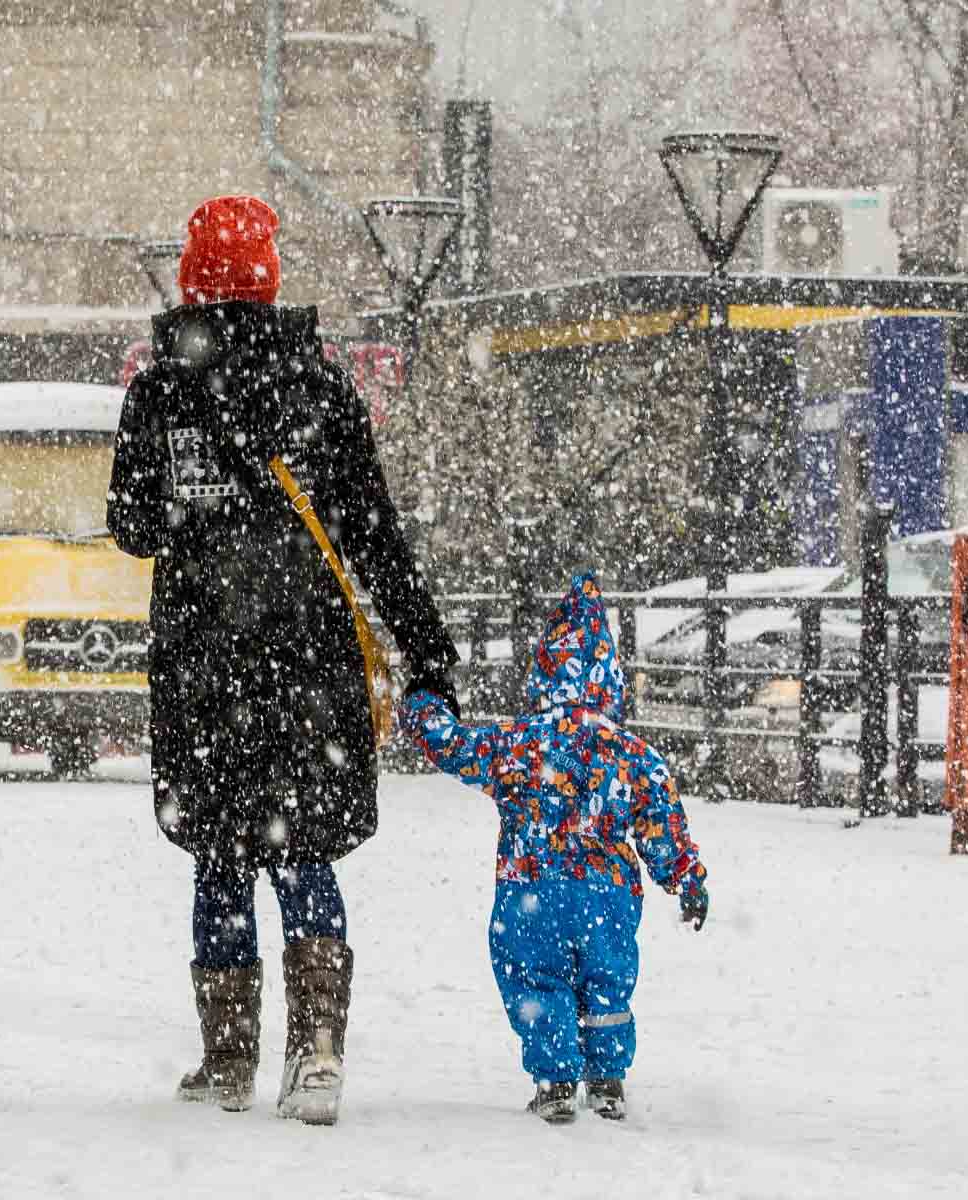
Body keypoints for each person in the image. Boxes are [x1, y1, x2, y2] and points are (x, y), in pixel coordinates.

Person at [108, 194, 457, 1126]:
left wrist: (198, 511)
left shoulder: (157, 390)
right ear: (268, 274)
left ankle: (227, 1061)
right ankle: (318, 1055)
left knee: (218, 854)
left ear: (190, 276)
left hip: (202, 665)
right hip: (309, 665)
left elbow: (131, 530)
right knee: (302, 855)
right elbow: (376, 538)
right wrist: (427, 658)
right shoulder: (324, 386)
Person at [400, 573, 710, 1125]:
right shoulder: (634, 754)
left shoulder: (519, 743)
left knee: (537, 980)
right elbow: (663, 828)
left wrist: (423, 709)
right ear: (611, 676)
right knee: (607, 982)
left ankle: (555, 1080)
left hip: (531, 890)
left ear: (546, 669)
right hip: (608, 895)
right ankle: (608, 1078)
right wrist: (686, 878)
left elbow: (455, 747)